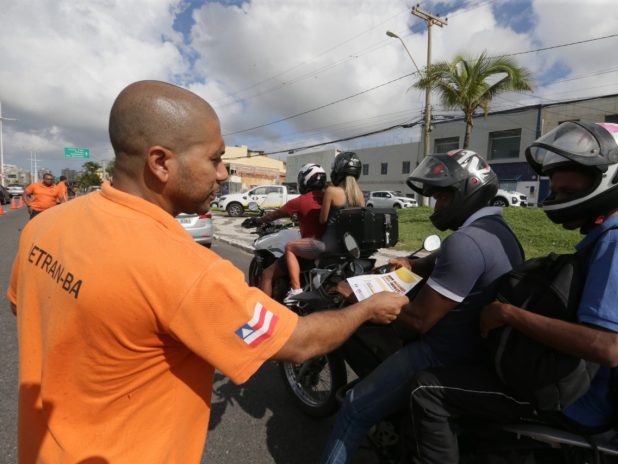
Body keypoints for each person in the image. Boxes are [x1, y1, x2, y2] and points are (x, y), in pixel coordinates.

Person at [6, 80, 407, 463]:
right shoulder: (187, 270)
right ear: (161, 162)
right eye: (215, 158)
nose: (222, 174)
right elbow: (299, 342)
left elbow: (28, 310)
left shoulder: (45, 226)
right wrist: (366, 309)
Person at [403, 122, 618, 463]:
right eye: (555, 190)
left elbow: (607, 346)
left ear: (612, 178)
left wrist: (508, 314)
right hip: (565, 376)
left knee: (426, 389)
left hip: (574, 400)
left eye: (567, 191)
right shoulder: (605, 239)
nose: (555, 198)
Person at [320, 150, 525, 464]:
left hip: (441, 352)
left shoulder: (466, 243)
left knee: (354, 406)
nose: (437, 206)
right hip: (476, 350)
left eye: (442, 199)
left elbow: (417, 320)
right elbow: (439, 260)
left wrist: (359, 297)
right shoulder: (498, 231)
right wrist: (408, 262)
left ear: (466, 192)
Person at [282, 151, 366, 302]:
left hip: (327, 246)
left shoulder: (332, 191)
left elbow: (322, 220)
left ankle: (295, 290)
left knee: (289, 246)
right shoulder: (360, 196)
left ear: (337, 171)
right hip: (349, 248)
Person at [245, 163, 328, 297]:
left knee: (267, 275)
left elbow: (275, 215)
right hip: (328, 249)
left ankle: (267, 309)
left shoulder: (300, 201)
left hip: (310, 250)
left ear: (305, 180)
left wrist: (257, 221)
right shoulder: (328, 199)